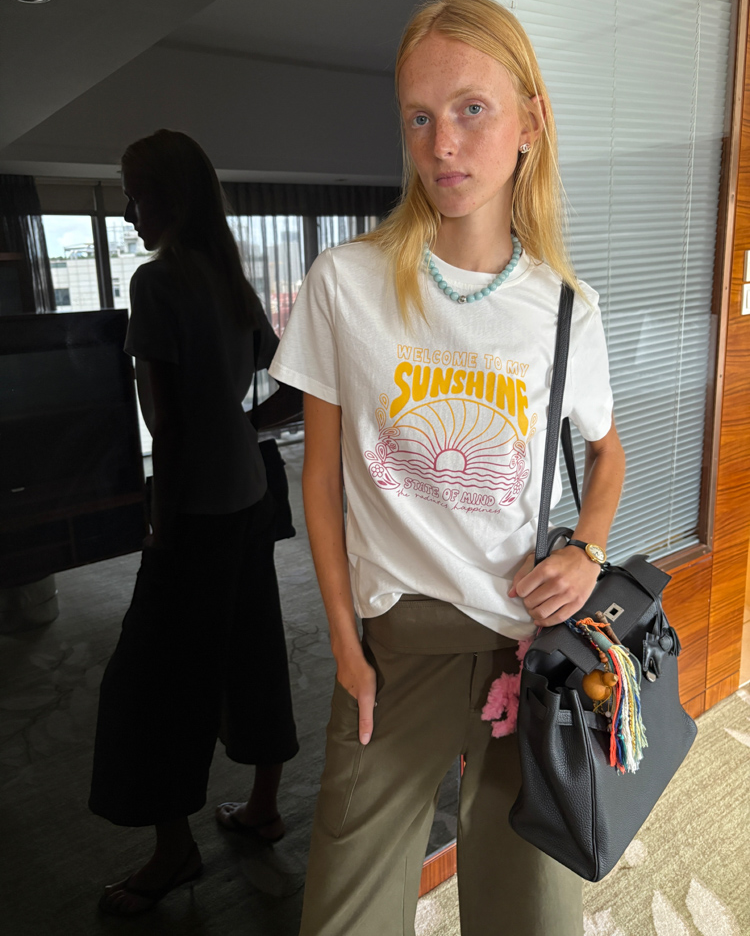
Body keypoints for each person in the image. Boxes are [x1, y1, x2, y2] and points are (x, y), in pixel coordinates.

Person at [268, 1, 626, 934]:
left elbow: (606, 450)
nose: (443, 145)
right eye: (420, 117)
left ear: (530, 122)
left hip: (528, 649)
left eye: (472, 109)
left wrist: (588, 549)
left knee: (527, 912)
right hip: (394, 648)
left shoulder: (564, 309)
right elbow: (320, 480)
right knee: (343, 913)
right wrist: (344, 644)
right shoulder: (345, 283)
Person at [89, 129, 299, 916]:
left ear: (169, 198)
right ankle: (264, 807)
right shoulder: (230, 281)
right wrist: (243, 426)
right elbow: (297, 389)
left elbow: (167, 429)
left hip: (195, 511)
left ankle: (174, 850)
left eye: (135, 195)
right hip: (250, 497)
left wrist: (159, 526)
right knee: (253, 647)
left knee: (148, 681)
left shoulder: (157, 283)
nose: (128, 213)